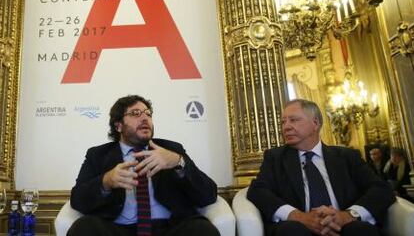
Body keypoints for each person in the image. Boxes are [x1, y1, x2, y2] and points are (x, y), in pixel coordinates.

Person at [68, 95, 220, 236]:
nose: (145, 118)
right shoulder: (98, 155)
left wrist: (178, 162)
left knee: (202, 230)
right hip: (119, 229)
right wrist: (105, 181)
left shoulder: (172, 150)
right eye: (135, 113)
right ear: (118, 126)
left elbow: (208, 195)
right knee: (83, 228)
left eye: (148, 114)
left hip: (169, 228)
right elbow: (78, 200)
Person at [247, 99, 395, 236]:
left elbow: (381, 189)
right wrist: (298, 216)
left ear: (315, 123)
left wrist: (348, 215)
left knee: (361, 231)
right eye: (283, 122)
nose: (286, 127)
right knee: (291, 230)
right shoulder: (275, 158)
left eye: (294, 120)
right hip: (298, 228)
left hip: (344, 227)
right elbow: (257, 191)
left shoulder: (347, 156)